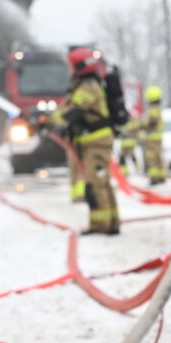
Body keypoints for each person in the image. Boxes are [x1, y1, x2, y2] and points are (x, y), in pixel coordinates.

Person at [52, 48, 120, 235]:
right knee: (101, 182)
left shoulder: (88, 87)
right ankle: (110, 222)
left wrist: (53, 120)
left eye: (71, 66)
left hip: (96, 142)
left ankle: (102, 225)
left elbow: (73, 110)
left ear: (80, 66)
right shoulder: (84, 85)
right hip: (93, 142)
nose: (70, 70)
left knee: (95, 183)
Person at [141, 85, 166, 185]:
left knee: (152, 158)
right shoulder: (158, 108)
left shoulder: (153, 109)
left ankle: (154, 178)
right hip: (158, 138)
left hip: (152, 139)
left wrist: (142, 125)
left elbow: (151, 122)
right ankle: (161, 176)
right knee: (158, 157)